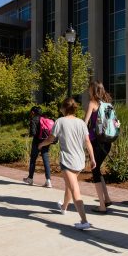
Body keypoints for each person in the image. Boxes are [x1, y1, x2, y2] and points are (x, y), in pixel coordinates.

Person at [39, 97, 96, 230]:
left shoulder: (60, 121)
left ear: (64, 108)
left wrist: (41, 144)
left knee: (74, 189)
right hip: (79, 161)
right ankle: (64, 207)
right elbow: (87, 142)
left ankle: (84, 221)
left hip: (67, 161)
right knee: (69, 186)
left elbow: (51, 138)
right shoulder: (81, 123)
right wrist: (92, 158)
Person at [84, 81, 114, 213]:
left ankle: (101, 206)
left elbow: (84, 123)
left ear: (93, 90)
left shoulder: (92, 103)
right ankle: (106, 199)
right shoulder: (108, 104)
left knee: (95, 170)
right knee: (98, 170)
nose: (88, 91)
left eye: (89, 89)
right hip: (107, 141)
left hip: (96, 141)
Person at [22, 106, 52, 188]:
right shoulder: (45, 119)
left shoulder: (33, 119)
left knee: (33, 160)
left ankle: (30, 178)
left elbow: (33, 133)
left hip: (36, 142)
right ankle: (48, 180)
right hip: (46, 141)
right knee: (46, 159)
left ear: (32, 112)